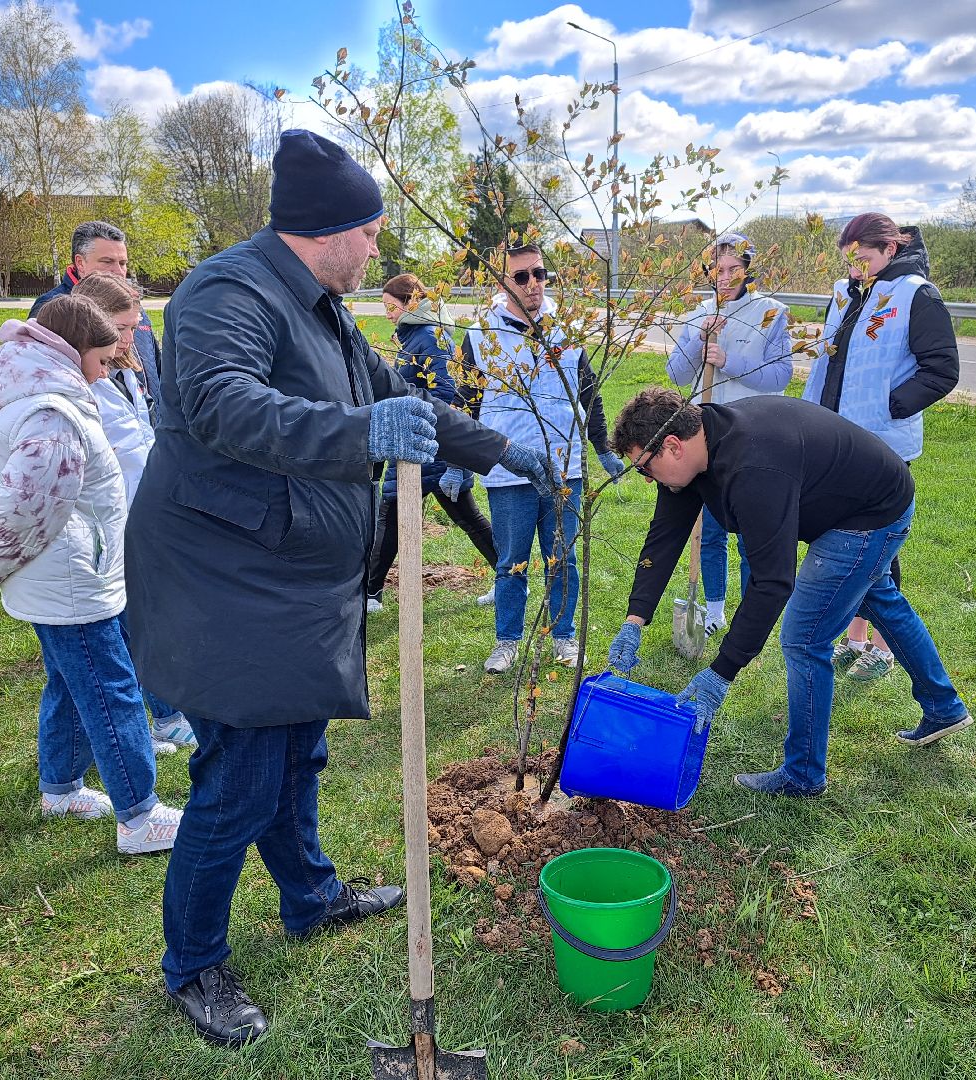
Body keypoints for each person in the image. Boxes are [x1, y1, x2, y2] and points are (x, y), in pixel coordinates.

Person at [122, 130, 557, 1047]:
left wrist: (501, 450)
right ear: (328, 231)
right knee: (236, 782)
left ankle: (311, 897)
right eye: (370, 231)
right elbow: (219, 405)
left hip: (295, 579)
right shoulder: (225, 292)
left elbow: (395, 389)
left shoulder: (318, 303)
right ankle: (194, 966)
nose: (377, 250)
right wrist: (363, 433)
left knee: (297, 756)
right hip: (227, 582)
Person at [604, 387, 971, 797]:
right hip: (854, 495)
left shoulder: (753, 468)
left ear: (672, 446)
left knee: (804, 638)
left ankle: (803, 774)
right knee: (876, 596)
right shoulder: (697, 444)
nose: (646, 477)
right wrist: (635, 619)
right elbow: (666, 535)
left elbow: (773, 581)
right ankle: (944, 707)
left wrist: (721, 673)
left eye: (643, 467)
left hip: (869, 514)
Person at [0, 295, 182, 855]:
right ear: (71, 351)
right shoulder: (52, 414)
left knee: (69, 681)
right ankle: (139, 816)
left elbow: (6, 492)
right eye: (103, 360)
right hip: (72, 580)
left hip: (66, 574)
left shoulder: (40, 401)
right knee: (113, 691)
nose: (108, 371)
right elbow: (29, 507)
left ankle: (60, 788)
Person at [803, 212, 959, 683]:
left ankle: (884, 648)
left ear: (890, 250)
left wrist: (892, 405)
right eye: (849, 261)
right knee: (845, 541)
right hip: (835, 440)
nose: (856, 270)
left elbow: (942, 369)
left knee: (880, 549)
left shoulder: (916, 295)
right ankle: (853, 637)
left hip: (883, 445)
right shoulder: (844, 292)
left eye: (864, 260)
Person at [459, 242, 626, 674]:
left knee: (563, 558)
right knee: (512, 560)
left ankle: (564, 635)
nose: (534, 284)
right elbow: (466, 402)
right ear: (502, 282)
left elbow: (587, 392)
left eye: (540, 274)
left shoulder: (565, 328)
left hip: (564, 467)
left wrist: (602, 447)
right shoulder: (481, 334)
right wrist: (459, 460)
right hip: (510, 468)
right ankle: (507, 640)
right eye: (522, 276)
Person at [70, 273, 197, 755]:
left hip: (144, 510)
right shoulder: (81, 383)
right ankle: (158, 718)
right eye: (124, 328)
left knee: (149, 618)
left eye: (135, 327)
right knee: (134, 626)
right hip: (110, 522)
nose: (132, 338)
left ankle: (160, 714)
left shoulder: (126, 369)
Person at [666, 232, 792, 633]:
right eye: (717, 269)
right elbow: (676, 373)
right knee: (712, 529)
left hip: (755, 432)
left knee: (750, 530)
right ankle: (716, 611)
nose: (724, 277)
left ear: (749, 268)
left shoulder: (771, 313)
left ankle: (753, 611)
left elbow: (781, 376)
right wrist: (698, 342)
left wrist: (728, 359)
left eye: (734, 268)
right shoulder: (698, 313)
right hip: (708, 435)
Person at [365, 272, 498, 613]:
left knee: (396, 515)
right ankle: (509, 575)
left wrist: (408, 410)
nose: (388, 314)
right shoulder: (414, 337)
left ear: (410, 303)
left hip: (428, 446)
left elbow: (445, 392)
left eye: (391, 307)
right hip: (419, 445)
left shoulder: (428, 337)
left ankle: (370, 593)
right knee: (457, 516)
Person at [31, 220, 161, 417]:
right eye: (107, 262)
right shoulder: (56, 310)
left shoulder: (131, 303)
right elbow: (51, 381)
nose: (118, 271)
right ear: (80, 263)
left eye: (123, 263)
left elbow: (156, 367)